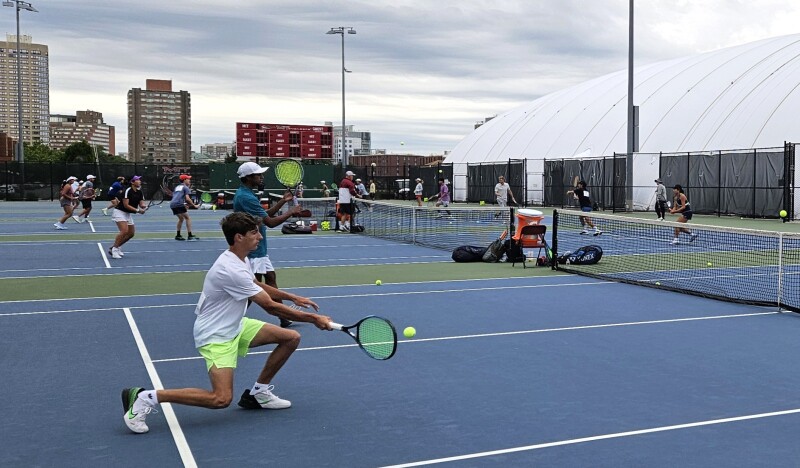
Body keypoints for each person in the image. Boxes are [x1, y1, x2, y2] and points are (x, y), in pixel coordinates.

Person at [121, 212, 333, 434]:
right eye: (254, 233)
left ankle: (259, 393)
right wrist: (313, 319)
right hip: (216, 335)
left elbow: (255, 284)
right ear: (239, 237)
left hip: (235, 325)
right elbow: (270, 307)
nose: (260, 237)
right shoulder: (230, 269)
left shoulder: (240, 259)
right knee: (220, 399)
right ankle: (146, 397)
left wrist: (293, 297)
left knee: (290, 338)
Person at [233, 162, 303, 328]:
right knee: (253, 289)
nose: (261, 177)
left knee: (270, 278)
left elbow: (264, 215)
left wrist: (282, 201)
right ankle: (230, 320)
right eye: (258, 175)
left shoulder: (247, 193)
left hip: (258, 246)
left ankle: (283, 317)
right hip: (252, 248)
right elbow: (270, 222)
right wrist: (291, 212)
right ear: (248, 177)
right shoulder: (246, 197)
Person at [109, 175, 146, 259]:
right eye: (137, 180)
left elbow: (141, 204)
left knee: (131, 234)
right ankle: (114, 250)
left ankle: (116, 246)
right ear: (132, 182)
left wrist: (143, 206)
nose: (140, 181)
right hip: (119, 212)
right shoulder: (127, 191)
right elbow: (126, 205)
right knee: (124, 231)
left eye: (139, 180)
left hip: (127, 214)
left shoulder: (140, 192)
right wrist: (138, 210)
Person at [171, 174, 200, 241]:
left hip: (172, 204)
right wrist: (194, 205)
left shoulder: (177, 187)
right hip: (178, 204)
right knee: (187, 218)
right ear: (184, 180)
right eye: (188, 179)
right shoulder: (185, 187)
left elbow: (177, 197)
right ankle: (190, 235)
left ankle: (178, 235)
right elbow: (187, 199)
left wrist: (184, 204)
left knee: (181, 219)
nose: (189, 180)